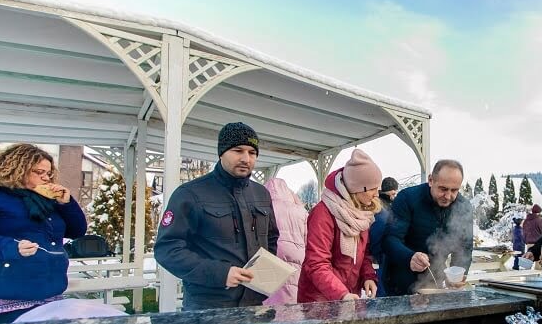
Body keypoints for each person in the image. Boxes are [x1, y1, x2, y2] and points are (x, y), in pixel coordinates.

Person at [154, 122, 279, 311]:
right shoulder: (190, 194)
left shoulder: (261, 194)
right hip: (208, 306)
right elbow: (167, 249)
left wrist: (264, 273)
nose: (246, 158)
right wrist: (220, 273)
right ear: (221, 152)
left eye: (252, 153)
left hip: (254, 304)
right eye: (238, 150)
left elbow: (271, 238)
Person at [0, 143, 87, 323]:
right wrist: (10, 247)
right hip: (5, 296)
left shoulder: (46, 199)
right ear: (17, 169)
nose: (46, 178)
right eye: (39, 172)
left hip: (48, 292)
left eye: (48, 173)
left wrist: (67, 203)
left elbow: (77, 231)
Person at [297, 149, 382, 302]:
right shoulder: (323, 213)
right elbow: (317, 263)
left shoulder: (361, 213)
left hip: (348, 296)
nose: (377, 194)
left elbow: (364, 254)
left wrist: (368, 276)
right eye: (373, 188)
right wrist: (341, 294)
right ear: (358, 189)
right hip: (319, 300)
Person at [382, 159, 473, 295]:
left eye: (454, 190)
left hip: (436, 281)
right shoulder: (407, 198)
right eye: (443, 189)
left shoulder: (463, 207)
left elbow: (464, 248)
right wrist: (409, 257)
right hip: (400, 282)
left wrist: (457, 274)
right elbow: (390, 239)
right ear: (431, 180)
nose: (448, 196)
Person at [262, 178, 307, 305]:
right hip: (296, 263)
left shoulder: (263, 209)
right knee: (292, 298)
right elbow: (308, 240)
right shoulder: (301, 211)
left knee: (270, 301)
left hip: (271, 261)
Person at [369, 176, 399, 297]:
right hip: (380, 259)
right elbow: (375, 236)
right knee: (381, 295)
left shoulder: (385, 208)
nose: (393, 197)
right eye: (392, 193)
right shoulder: (381, 211)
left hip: (382, 258)